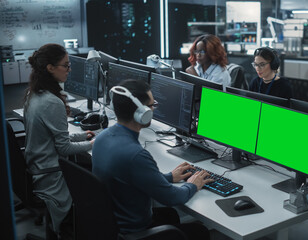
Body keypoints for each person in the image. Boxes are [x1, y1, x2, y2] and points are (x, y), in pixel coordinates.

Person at [91, 79, 213, 239]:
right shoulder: (135, 155)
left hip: (114, 225)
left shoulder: (102, 138)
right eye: (151, 105)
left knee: (170, 216)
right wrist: (192, 185)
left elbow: (128, 177)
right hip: (135, 232)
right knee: (200, 231)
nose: (153, 109)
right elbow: (172, 198)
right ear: (142, 113)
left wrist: (169, 177)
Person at [24, 43, 95, 239]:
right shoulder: (51, 101)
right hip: (51, 173)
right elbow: (63, 148)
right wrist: (92, 145)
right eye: (66, 65)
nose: (69, 70)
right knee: (100, 177)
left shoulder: (34, 93)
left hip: (38, 165)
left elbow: (51, 138)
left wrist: (83, 135)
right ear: (50, 68)